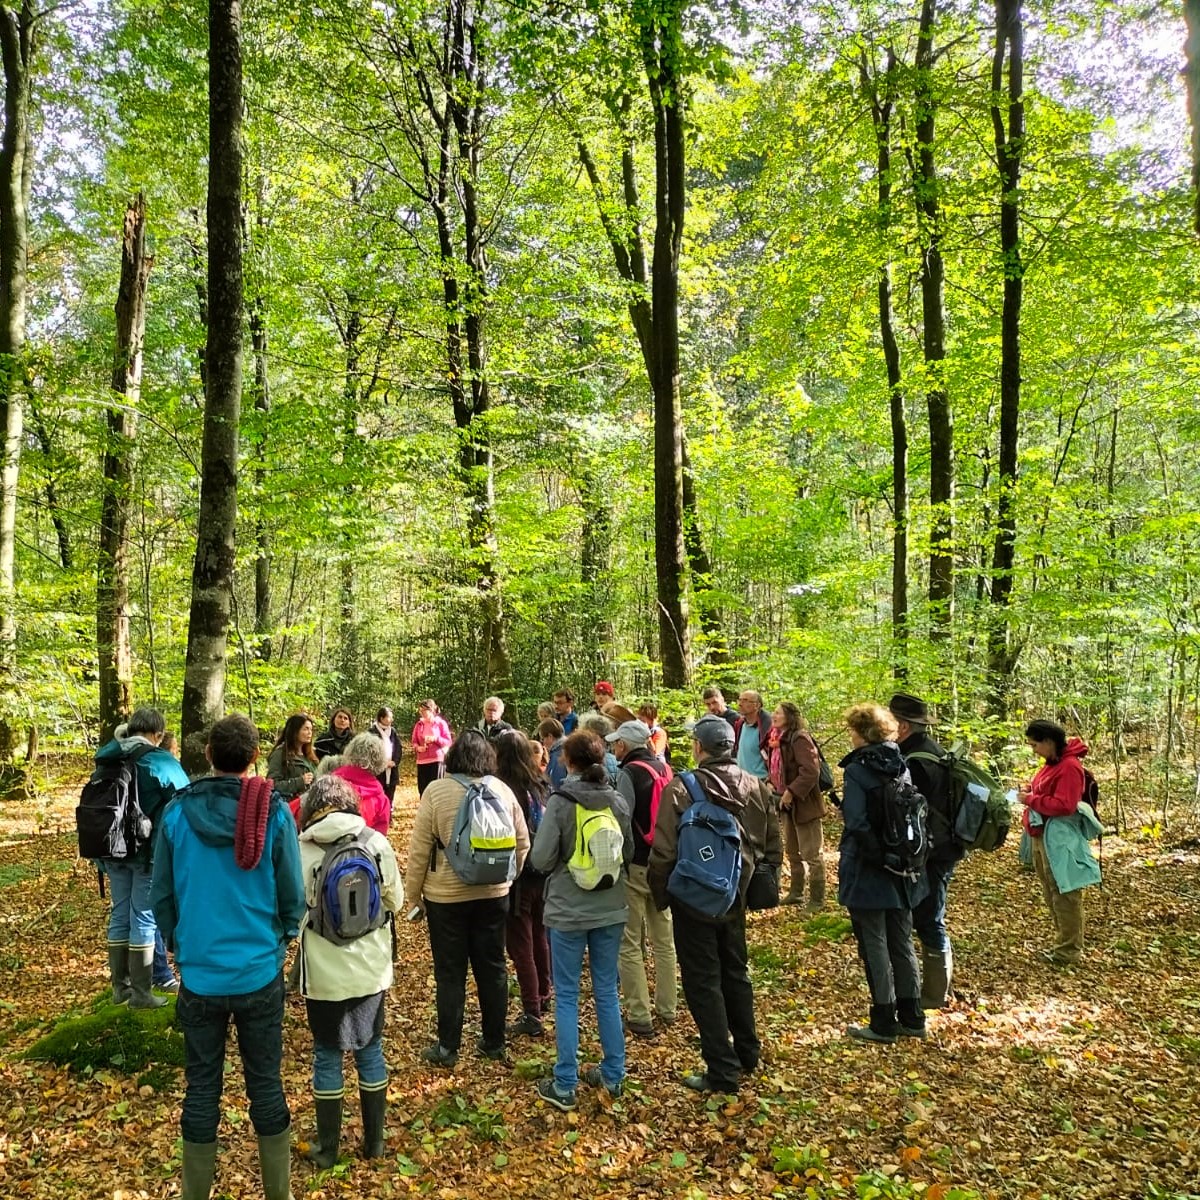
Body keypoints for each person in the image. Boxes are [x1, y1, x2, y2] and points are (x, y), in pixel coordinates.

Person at [151, 713, 305, 1200]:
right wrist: (279, 940)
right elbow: (293, 896)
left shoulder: (176, 814)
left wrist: (178, 944)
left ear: (209, 756)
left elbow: (161, 894)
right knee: (266, 1085)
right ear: (256, 757)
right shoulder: (274, 813)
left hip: (200, 976)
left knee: (202, 1089)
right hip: (258, 971)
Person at [648, 715, 780, 1093]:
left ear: (699, 748)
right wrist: (758, 883)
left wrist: (663, 896)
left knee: (703, 981)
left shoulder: (682, 788)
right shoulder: (756, 786)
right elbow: (772, 844)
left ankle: (721, 1070)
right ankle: (747, 1052)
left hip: (693, 897)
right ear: (731, 748)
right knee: (735, 972)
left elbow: (664, 851)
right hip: (736, 895)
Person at [404, 730, 529, 1067]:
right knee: (493, 967)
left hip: (445, 896)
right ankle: (494, 1042)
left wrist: (413, 894)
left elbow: (419, 850)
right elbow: (523, 841)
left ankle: (447, 1047)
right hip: (494, 894)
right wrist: (507, 878)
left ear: (453, 757)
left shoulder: (436, 790)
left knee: (450, 971)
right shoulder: (501, 789)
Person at [297, 775, 401, 1168]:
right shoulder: (374, 843)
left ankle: (328, 1148)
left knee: (327, 1054)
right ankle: (375, 1142)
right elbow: (396, 898)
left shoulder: (302, 848)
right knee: (370, 1049)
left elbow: (291, 911)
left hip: (323, 974)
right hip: (371, 969)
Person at [531, 730, 634, 1111]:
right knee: (607, 991)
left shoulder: (561, 802)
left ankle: (565, 1083)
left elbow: (541, 860)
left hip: (568, 910)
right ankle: (613, 1074)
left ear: (568, 761)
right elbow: (631, 849)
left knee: (568, 996)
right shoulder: (618, 800)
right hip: (610, 908)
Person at [838, 703, 928, 1045]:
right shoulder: (900, 764)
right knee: (902, 941)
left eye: (852, 731)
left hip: (869, 869)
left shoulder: (858, 771)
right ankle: (912, 1016)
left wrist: (876, 858)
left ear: (862, 733)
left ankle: (883, 1020)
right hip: (903, 867)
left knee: (874, 943)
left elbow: (857, 823)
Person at [92, 707, 189, 1008]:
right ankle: (143, 994)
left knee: (120, 914)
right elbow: (185, 801)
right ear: (158, 735)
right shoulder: (160, 761)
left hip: (111, 850)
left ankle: (121, 989)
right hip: (146, 853)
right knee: (144, 917)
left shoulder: (107, 759)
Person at [888, 692, 962, 1007]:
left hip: (935, 851)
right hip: (940, 847)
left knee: (930, 917)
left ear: (903, 726)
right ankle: (934, 989)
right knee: (928, 914)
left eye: (892, 721)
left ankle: (935, 994)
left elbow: (913, 813)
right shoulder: (928, 750)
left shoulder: (916, 761)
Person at [609, 719, 677, 1038]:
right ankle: (668, 1008)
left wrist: (621, 859)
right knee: (664, 939)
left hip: (636, 865)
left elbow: (622, 818)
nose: (613, 747)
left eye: (616, 742)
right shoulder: (665, 769)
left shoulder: (628, 773)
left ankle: (639, 1015)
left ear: (625, 745)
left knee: (630, 941)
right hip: (664, 863)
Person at [1020, 719, 1093, 966]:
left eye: (1035, 745)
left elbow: (1065, 805)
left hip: (1060, 837)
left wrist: (1031, 799)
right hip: (1043, 836)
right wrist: (1031, 791)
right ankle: (1062, 943)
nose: (1034, 750)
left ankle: (1069, 950)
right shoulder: (1051, 764)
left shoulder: (1070, 766)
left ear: (1049, 742)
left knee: (1065, 893)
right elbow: (1045, 791)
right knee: (1051, 891)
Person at [494, 731, 553, 1038]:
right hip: (542, 872)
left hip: (517, 875)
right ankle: (544, 995)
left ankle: (531, 1011)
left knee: (520, 944)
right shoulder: (542, 783)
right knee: (540, 934)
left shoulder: (503, 788)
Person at [768, 702, 825, 909]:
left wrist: (791, 792)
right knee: (792, 851)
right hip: (785, 804)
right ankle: (796, 892)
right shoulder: (777, 740)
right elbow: (778, 768)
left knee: (812, 854)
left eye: (778, 713)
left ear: (789, 717)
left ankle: (817, 900)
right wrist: (770, 782)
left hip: (804, 804)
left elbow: (810, 771)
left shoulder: (799, 738)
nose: (773, 716)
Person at [332, 733, 392, 836]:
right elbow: (378, 839)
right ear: (380, 761)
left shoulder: (326, 785)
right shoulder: (381, 800)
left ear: (350, 752)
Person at [267, 712, 317, 799]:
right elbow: (271, 784)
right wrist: (299, 782)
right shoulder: (280, 754)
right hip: (289, 807)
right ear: (295, 731)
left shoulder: (310, 756)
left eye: (311, 729)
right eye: (306, 729)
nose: (310, 733)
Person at [411, 700, 453, 796]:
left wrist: (435, 738)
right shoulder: (418, 725)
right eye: (420, 710)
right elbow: (414, 742)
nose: (422, 713)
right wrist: (418, 748)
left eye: (424, 710)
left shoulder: (440, 723)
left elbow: (448, 741)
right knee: (423, 790)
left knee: (436, 789)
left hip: (436, 760)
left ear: (431, 710)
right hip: (422, 761)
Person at [733, 690, 771, 786]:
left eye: (745, 700)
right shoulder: (740, 724)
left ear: (757, 705)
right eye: (740, 700)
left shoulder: (767, 727)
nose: (740, 704)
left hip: (761, 781)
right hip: (742, 780)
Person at [368, 707, 402, 810]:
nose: (391, 719)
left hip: (391, 769)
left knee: (390, 793)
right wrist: (381, 762)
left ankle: (388, 814)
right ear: (381, 718)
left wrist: (394, 762)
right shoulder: (371, 732)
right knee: (378, 793)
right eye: (389, 717)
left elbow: (398, 748)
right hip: (377, 770)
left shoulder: (393, 732)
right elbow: (369, 751)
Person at [537, 717, 567, 787]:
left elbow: (556, 784)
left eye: (542, 739)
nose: (543, 743)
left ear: (550, 737)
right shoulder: (567, 748)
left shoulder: (558, 755)